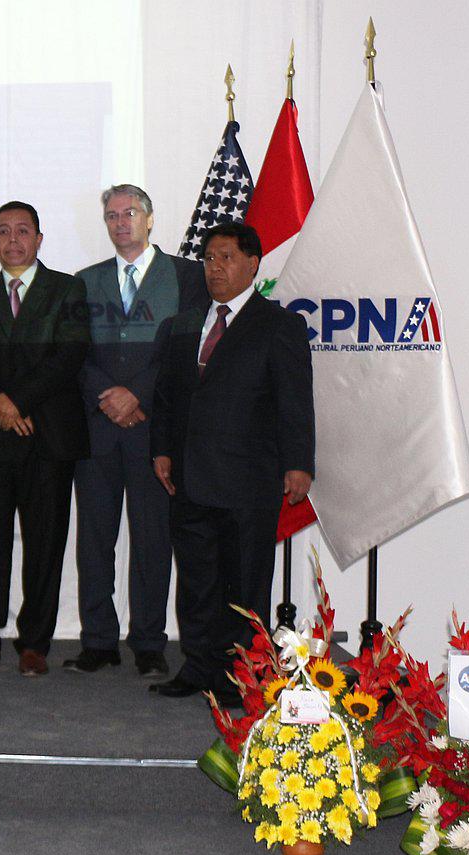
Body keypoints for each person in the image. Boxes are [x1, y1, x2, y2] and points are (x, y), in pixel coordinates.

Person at [148, 221, 314, 706]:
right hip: (188, 478)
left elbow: (294, 401)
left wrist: (299, 463)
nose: (214, 268)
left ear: (252, 263)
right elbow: (166, 396)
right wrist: (161, 449)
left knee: (244, 585)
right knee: (197, 580)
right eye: (208, 259)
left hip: (248, 479)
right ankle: (198, 667)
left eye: (225, 258)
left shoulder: (279, 324)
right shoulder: (184, 321)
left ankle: (242, 676)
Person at [66, 185, 209, 676]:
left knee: (152, 540)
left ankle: (149, 642)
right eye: (111, 215)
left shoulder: (186, 276)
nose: (120, 222)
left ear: (151, 220)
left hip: (156, 430)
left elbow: (185, 350)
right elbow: (75, 353)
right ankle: (98, 640)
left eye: (130, 213)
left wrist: (137, 395)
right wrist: (108, 396)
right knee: (95, 539)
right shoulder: (84, 282)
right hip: (98, 429)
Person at [0, 201, 90, 677]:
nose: (13, 239)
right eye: (3, 231)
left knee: (45, 544)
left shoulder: (67, 289)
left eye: (23, 230)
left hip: (48, 439)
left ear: (39, 239)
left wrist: (20, 403)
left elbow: (67, 356)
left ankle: (35, 643)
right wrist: (2, 406)